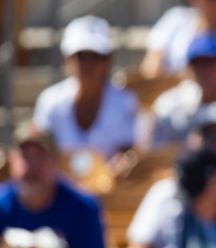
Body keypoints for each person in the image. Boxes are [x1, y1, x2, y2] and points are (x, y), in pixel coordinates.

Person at [33, 15, 138, 161]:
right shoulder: (49, 101)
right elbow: (39, 153)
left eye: (96, 56)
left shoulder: (126, 102)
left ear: (108, 60)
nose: (88, 64)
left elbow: (129, 153)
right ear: (66, 59)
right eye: (80, 56)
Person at [0, 121, 105, 248]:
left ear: (55, 161)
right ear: (11, 160)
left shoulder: (83, 209)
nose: (32, 166)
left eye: (40, 156)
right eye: (25, 156)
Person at [145, 33, 216, 147]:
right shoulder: (170, 106)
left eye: (210, 63)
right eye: (198, 65)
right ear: (189, 69)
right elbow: (155, 150)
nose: (204, 72)